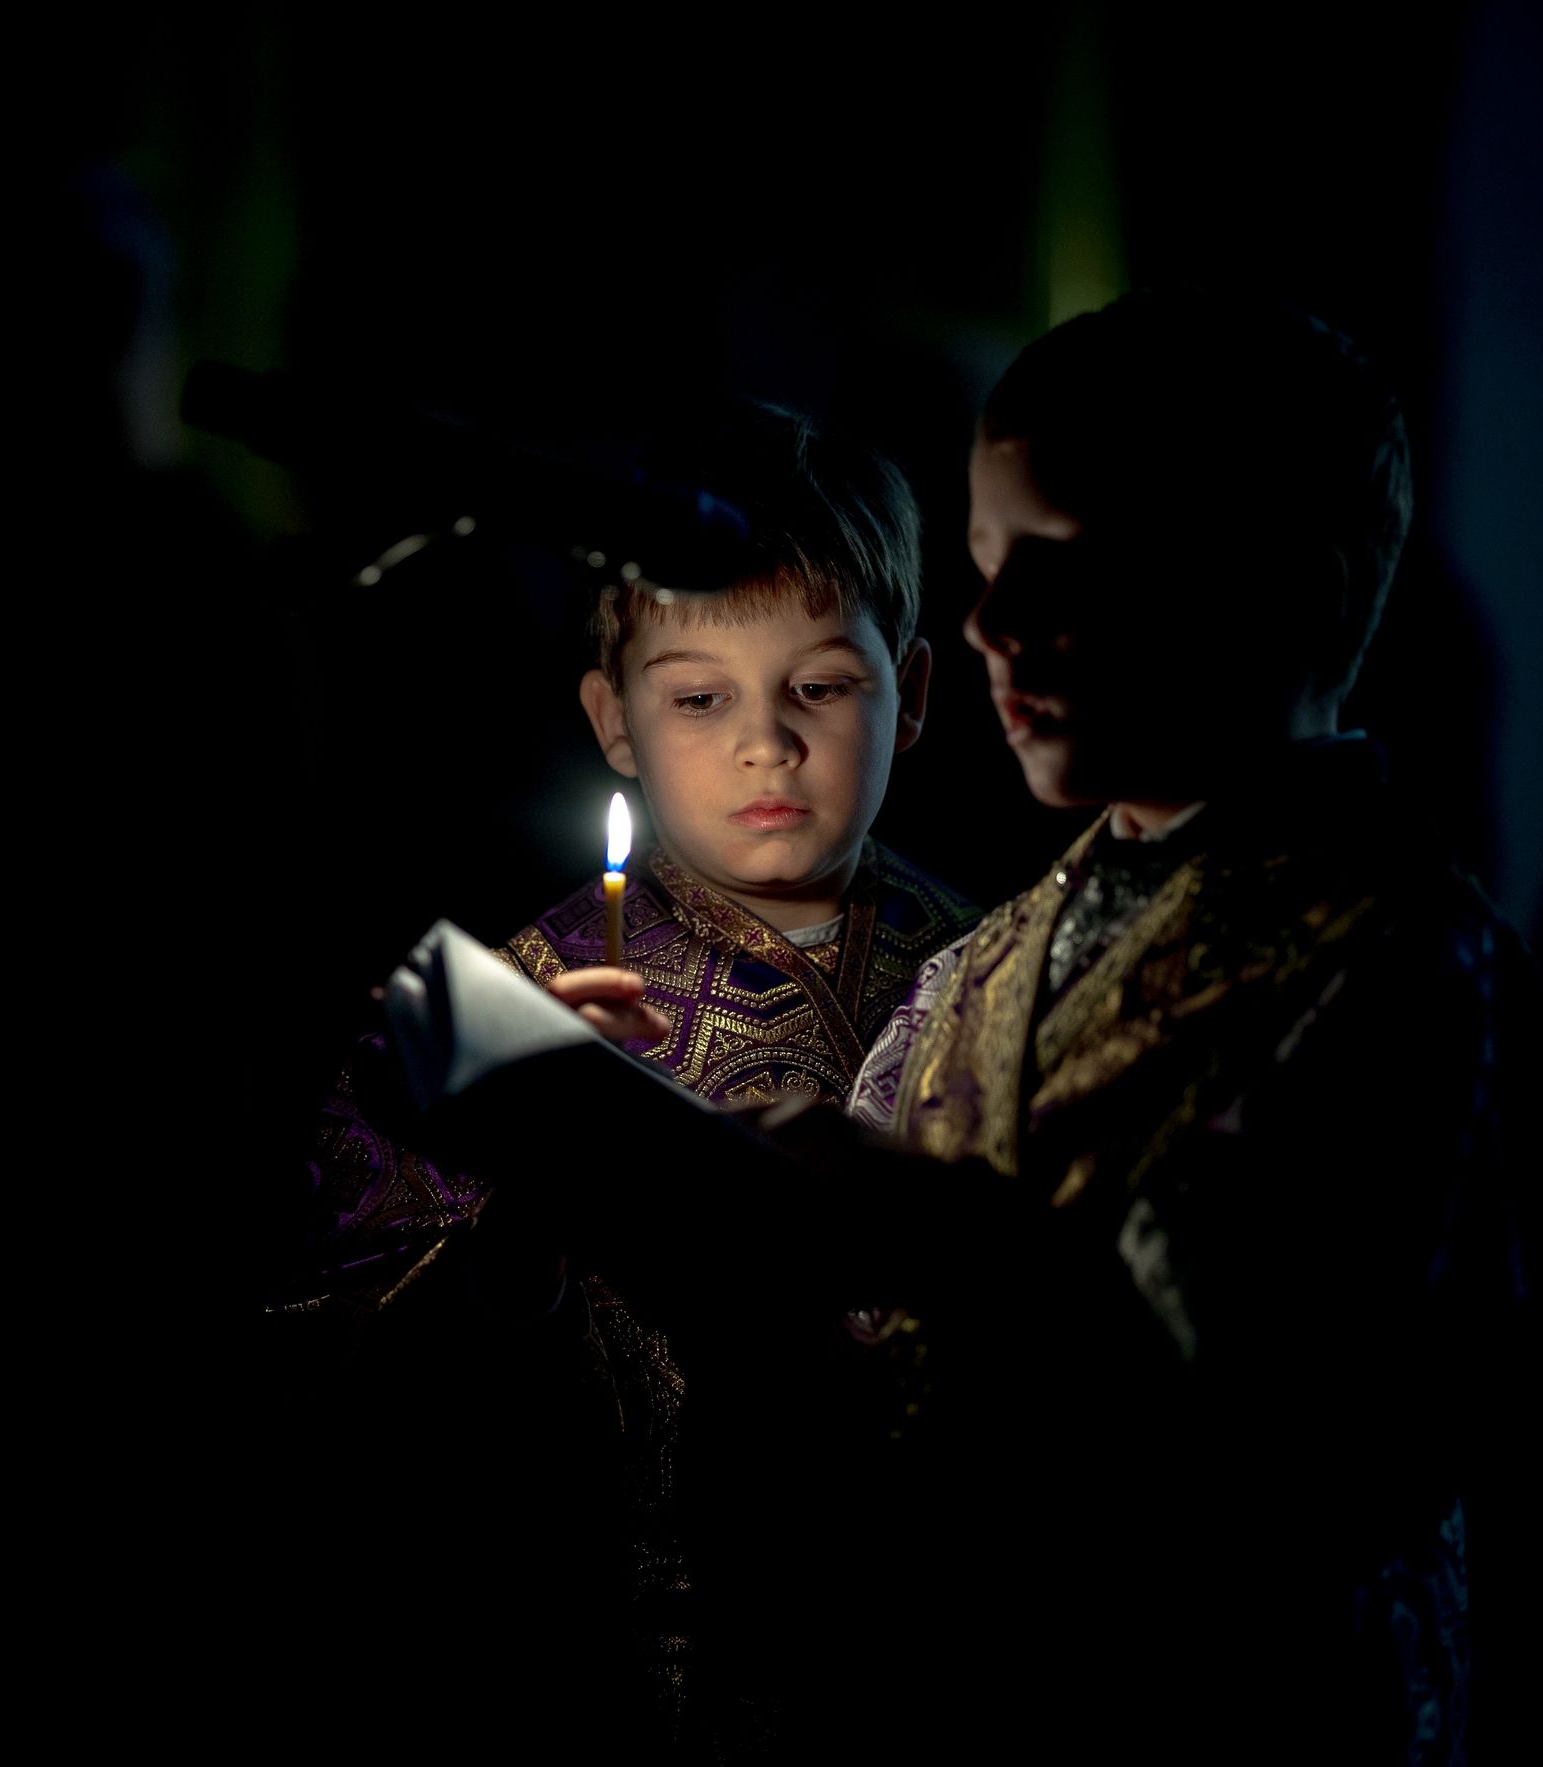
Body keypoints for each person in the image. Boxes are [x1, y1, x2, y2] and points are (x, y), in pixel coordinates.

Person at [746, 289, 1543, 1761]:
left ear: (1280, 586)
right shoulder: (983, 963)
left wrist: (925, 1226)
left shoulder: (1411, 970)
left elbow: (1291, 1434)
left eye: (1064, 564)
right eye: (984, 565)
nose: (988, 626)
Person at [259, 401, 982, 1760]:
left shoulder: (998, 973)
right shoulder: (496, 1017)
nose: (766, 744)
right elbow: (335, 1416)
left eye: (822, 688)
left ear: (916, 692)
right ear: (613, 718)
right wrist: (531, 1203)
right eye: (700, 698)